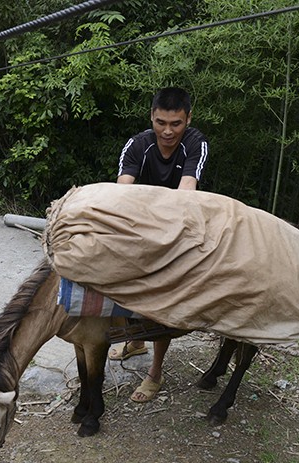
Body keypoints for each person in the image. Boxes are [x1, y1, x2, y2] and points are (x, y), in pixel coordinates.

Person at [108, 87, 209, 403]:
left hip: (181, 226)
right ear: (151, 117)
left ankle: (155, 372)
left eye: (176, 123)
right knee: (119, 278)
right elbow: (121, 193)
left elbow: (186, 192)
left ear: (188, 119)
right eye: (160, 122)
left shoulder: (196, 143)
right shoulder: (137, 145)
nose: (167, 131)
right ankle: (134, 341)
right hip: (140, 227)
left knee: (164, 301)